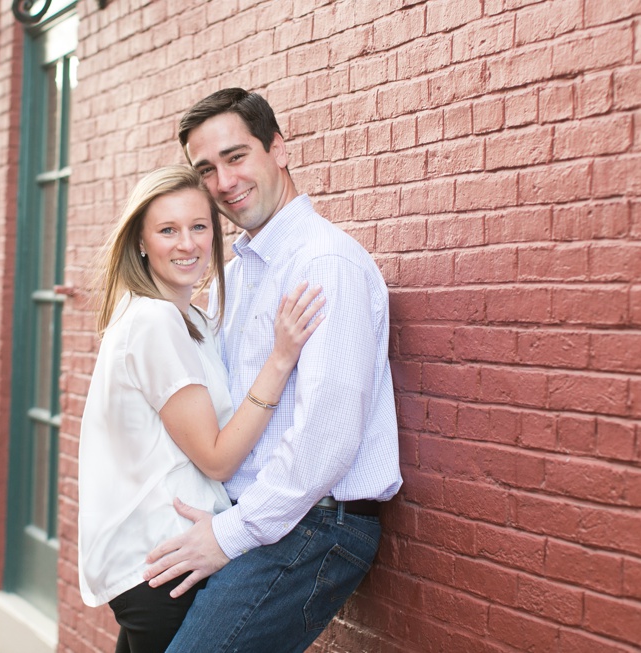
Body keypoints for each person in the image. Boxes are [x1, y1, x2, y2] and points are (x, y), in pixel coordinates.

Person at [143, 88, 402, 652]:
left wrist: (230, 535)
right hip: (256, 516)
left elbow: (327, 438)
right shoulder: (236, 273)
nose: (224, 182)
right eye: (205, 169)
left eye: (237, 157)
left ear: (278, 150)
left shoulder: (322, 263)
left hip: (313, 525)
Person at [78, 164, 325, 653]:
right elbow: (216, 457)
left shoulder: (185, 316)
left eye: (199, 227)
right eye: (168, 230)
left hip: (158, 558)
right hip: (166, 557)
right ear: (141, 242)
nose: (187, 243)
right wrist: (280, 360)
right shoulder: (153, 322)